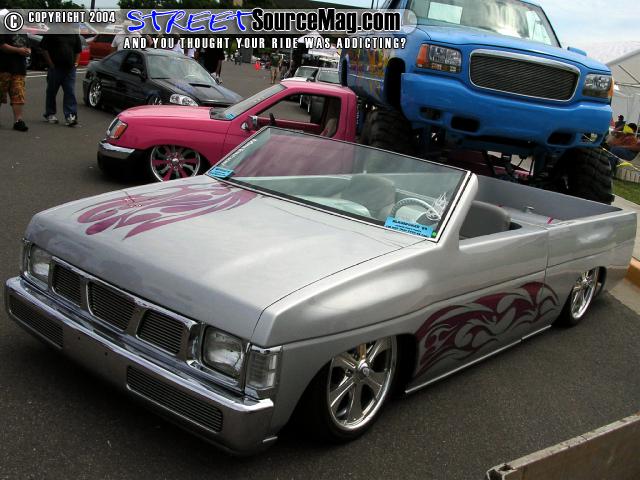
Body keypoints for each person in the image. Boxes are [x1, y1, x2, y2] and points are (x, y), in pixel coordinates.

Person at [40, 34, 82, 126]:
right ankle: (50, 113)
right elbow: (44, 48)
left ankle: (70, 116)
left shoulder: (74, 33)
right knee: (52, 91)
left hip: (70, 69)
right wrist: (50, 64)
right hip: (56, 68)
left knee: (70, 91)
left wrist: (76, 63)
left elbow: (78, 50)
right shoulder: (52, 32)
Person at [0, 32, 30, 131]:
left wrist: (28, 51)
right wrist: (18, 50)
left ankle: (18, 121)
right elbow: (2, 46)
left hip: (19, 69)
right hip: (3, 68)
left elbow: (28, 47)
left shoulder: (23, 32)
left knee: (18, 95)